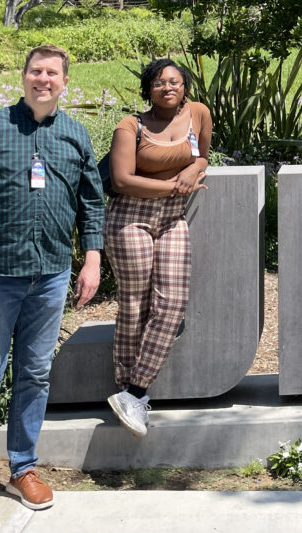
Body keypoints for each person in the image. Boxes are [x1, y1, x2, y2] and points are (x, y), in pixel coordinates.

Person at [0, 45, 103, 523]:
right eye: (36, 71)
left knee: (34, 376)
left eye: (52, 73)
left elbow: (91, 204)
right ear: (23, 76)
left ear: (65, 82)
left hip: (51, 276)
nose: (43, 79)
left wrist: (91, 259)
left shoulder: (76, 135)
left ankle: (23, 467)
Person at [103, 58, 211, 437]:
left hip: (172, 217)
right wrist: (173, 187)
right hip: (130, 216)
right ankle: (124, 388)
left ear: (185, 86)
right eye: (160, 83)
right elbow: (121, 180)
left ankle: (135, 392)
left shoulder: (198, 114)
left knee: (172, 302)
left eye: (175, 82)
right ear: (147, 89)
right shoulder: (130, 126)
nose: (169, 88)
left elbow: (202, 156)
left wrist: (193, 170)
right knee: (135, 303)